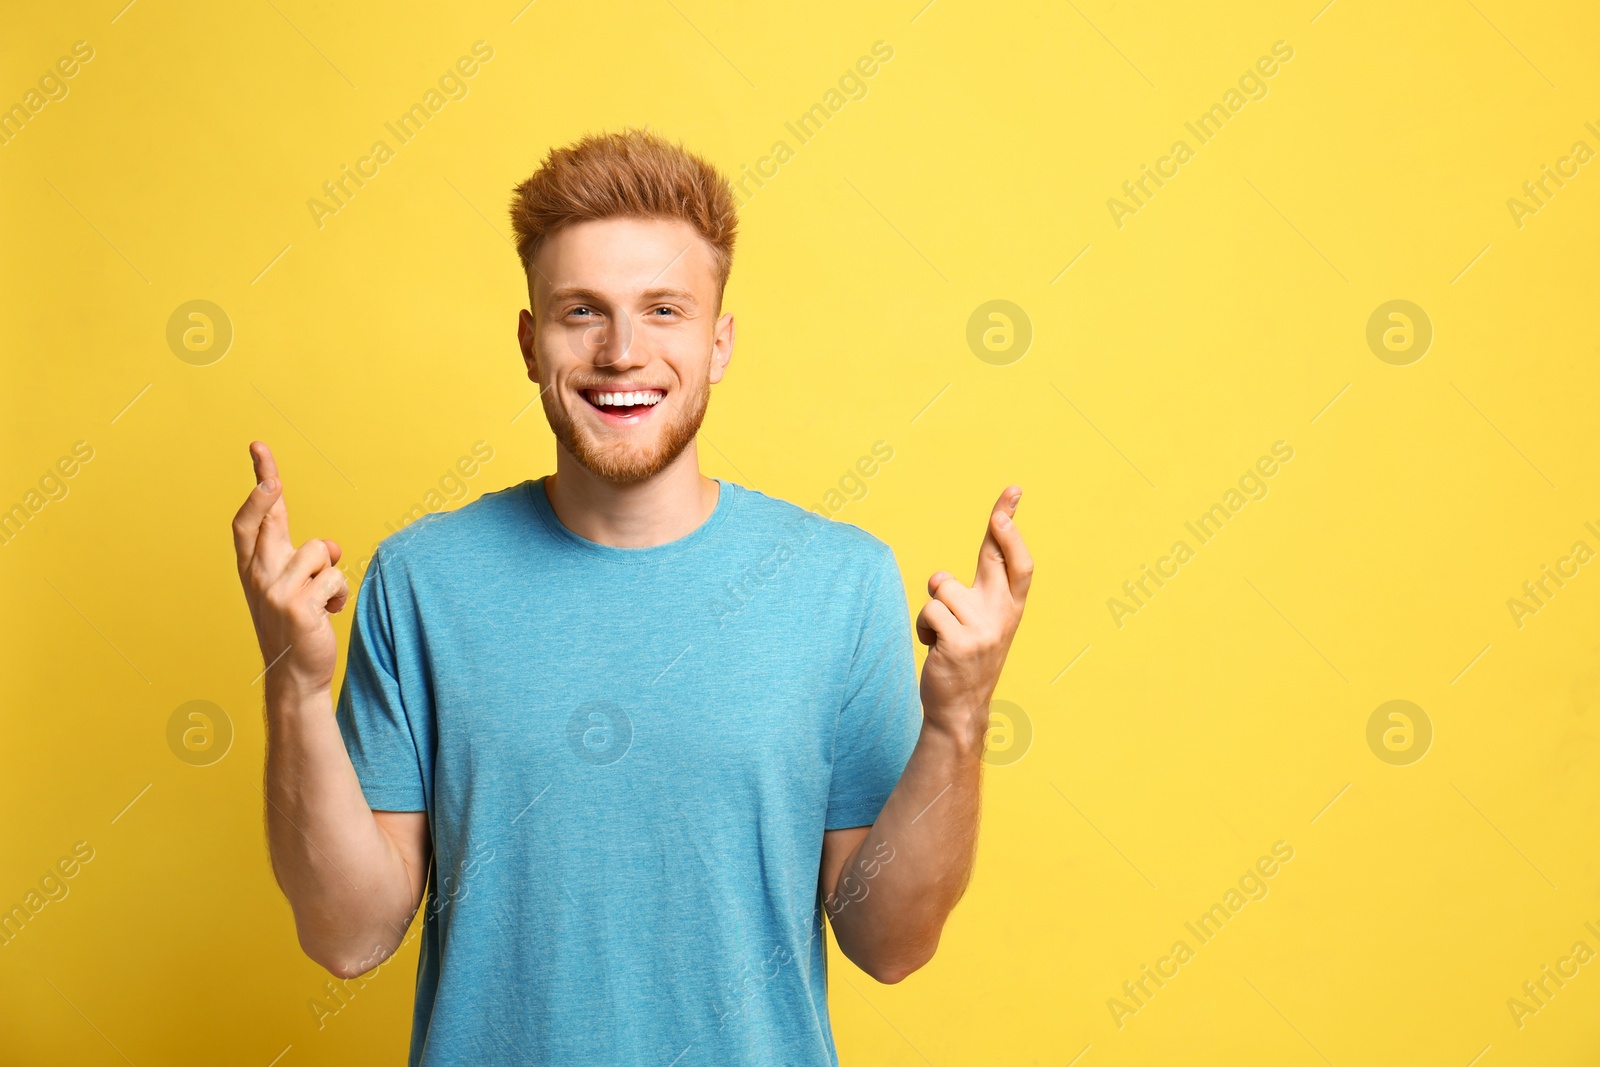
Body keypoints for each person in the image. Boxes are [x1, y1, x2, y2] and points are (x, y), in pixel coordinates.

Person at [230, 128, 1031, 1066]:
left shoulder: (838, 583)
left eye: (664, 310)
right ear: (531, 343)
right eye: (582, 312)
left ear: (719, 342)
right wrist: (291, 681)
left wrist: (959, 720)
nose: (621, 351)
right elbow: (348, 935)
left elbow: (889, 945)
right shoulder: (421, 581)